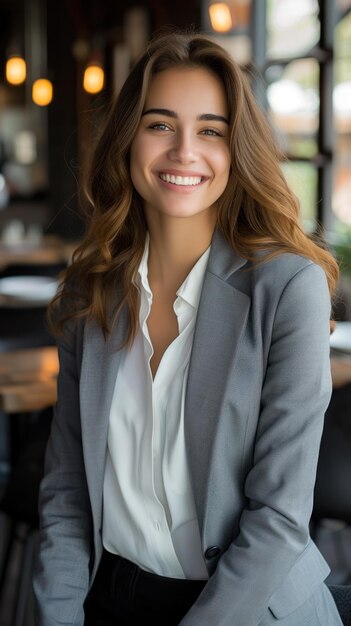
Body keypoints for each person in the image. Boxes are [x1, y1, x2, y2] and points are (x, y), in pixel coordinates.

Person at [33, 31, 343, 626]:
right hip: (112, 598)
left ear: (236, 150)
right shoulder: (89, 291)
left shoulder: (287, 288)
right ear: (128, 140)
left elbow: (277, 519)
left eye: (210, 130)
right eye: (159, 125)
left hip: (248, 609)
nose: (183, 151)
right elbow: (67, 493)